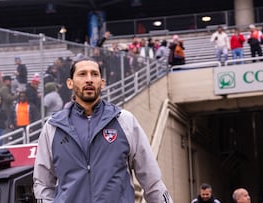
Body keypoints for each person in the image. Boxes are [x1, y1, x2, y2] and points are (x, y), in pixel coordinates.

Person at [33, 56, 173, 203]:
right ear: (70, 83)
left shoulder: (124, 120)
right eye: (82, 74)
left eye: (94, 74)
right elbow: (42, 184)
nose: (89, 79)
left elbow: (152, 180)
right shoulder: (53, 127)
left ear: (102, 83)